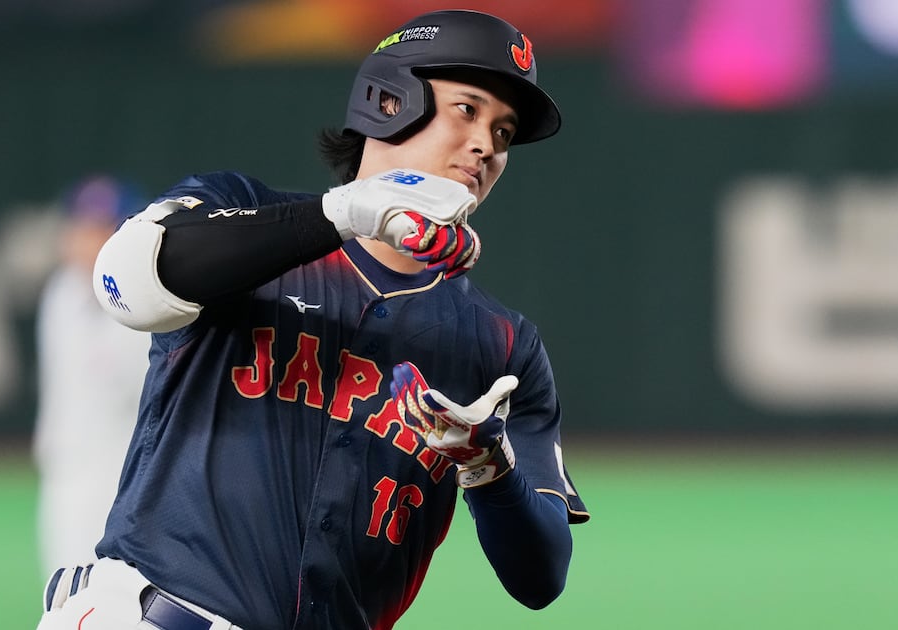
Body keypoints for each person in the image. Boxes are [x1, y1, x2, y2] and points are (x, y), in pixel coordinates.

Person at [36, 10, 589, 630]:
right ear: (389, 100)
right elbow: (124, 284)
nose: (487, 144)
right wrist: (346, 212)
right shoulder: (240, 212)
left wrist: (488, 464)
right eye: (467, 110)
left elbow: (542, 579)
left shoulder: (502, 345)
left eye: (504, 131)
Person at [32, 175, 151, 578]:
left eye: (101, 228)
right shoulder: (61, 293)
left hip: (126, 483)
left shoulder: (148, 308)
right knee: (61, 602)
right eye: (80, 227)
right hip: (65, 475)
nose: (86, 239)